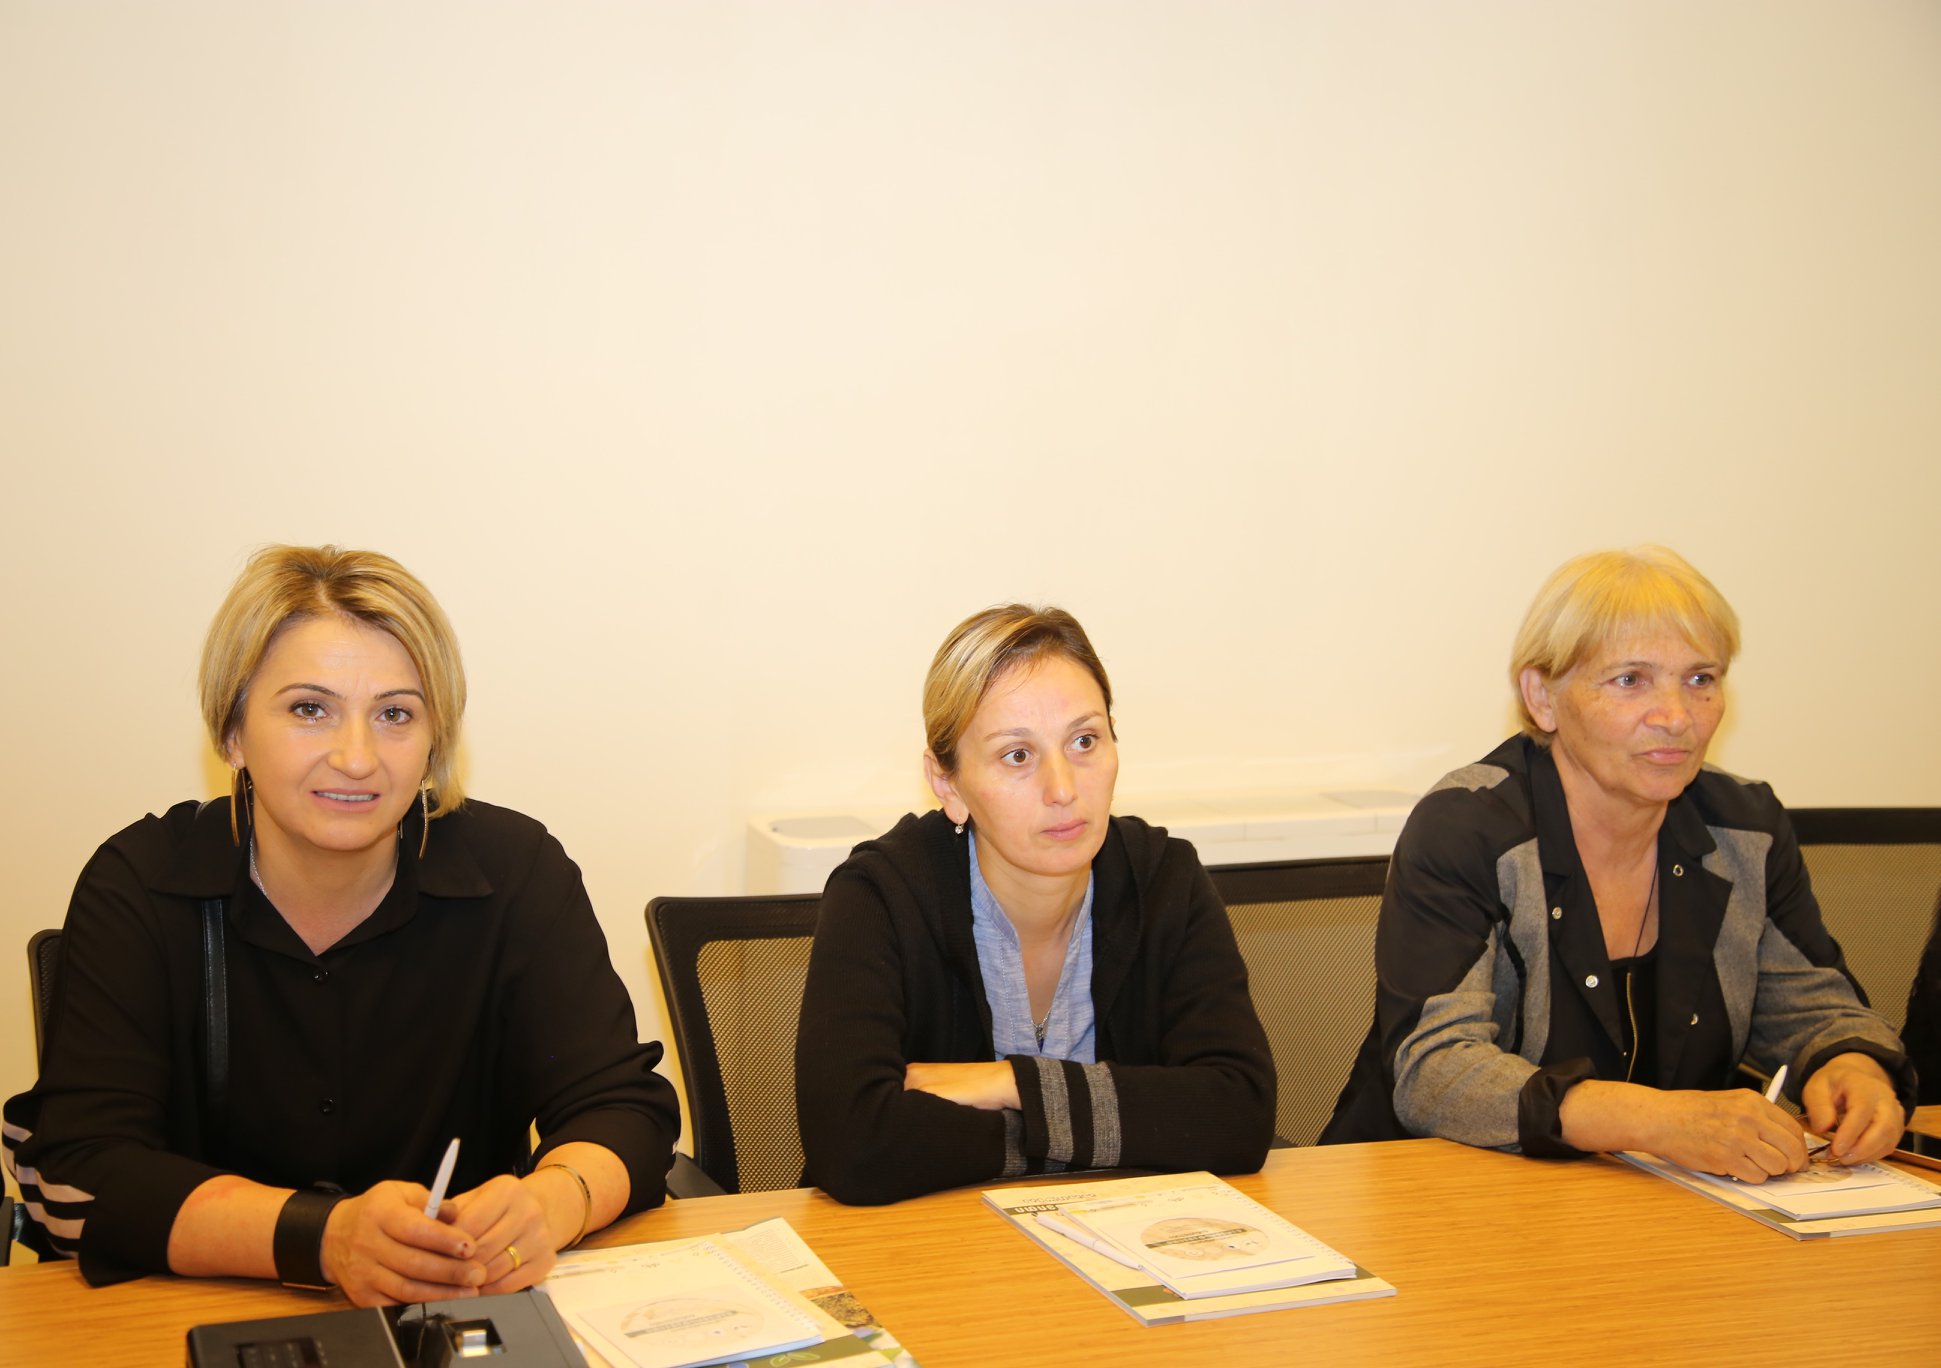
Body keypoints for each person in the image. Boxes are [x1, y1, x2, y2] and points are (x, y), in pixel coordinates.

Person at [4, 546, 678, 1303]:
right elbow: (80, 1177)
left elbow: (623, 1109)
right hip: (194, 1319)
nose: (356, 758)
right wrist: (324, 1239)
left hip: (454, 1313)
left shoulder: (516, 871)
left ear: (434, 742)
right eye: (309, 709)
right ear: (232, 733)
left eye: (395, 714)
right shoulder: (141, 883)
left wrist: (552, 1203)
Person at [1322, 546, 1915, 1178]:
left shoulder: (1745, 827)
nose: (1676, 717)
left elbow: (1811, 1006)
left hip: (1650, 1196)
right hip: (1436, 1188)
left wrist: (1851, 1065)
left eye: (1700, 679)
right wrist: (1654, 1120)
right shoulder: (1468, 828)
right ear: (1542, 697)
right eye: (1631, 680)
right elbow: (1435, 1070)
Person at [795, 605, 1275, 1205]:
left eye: (1084, 741)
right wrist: (1112, 1127)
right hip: (930, 1247)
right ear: (948, 784)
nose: (1064, 789)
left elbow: (1238, 1112)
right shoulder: (881, 895)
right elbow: (854, 1144)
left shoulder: (1163, 879)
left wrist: (1011, 1084)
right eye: (1017, 755)